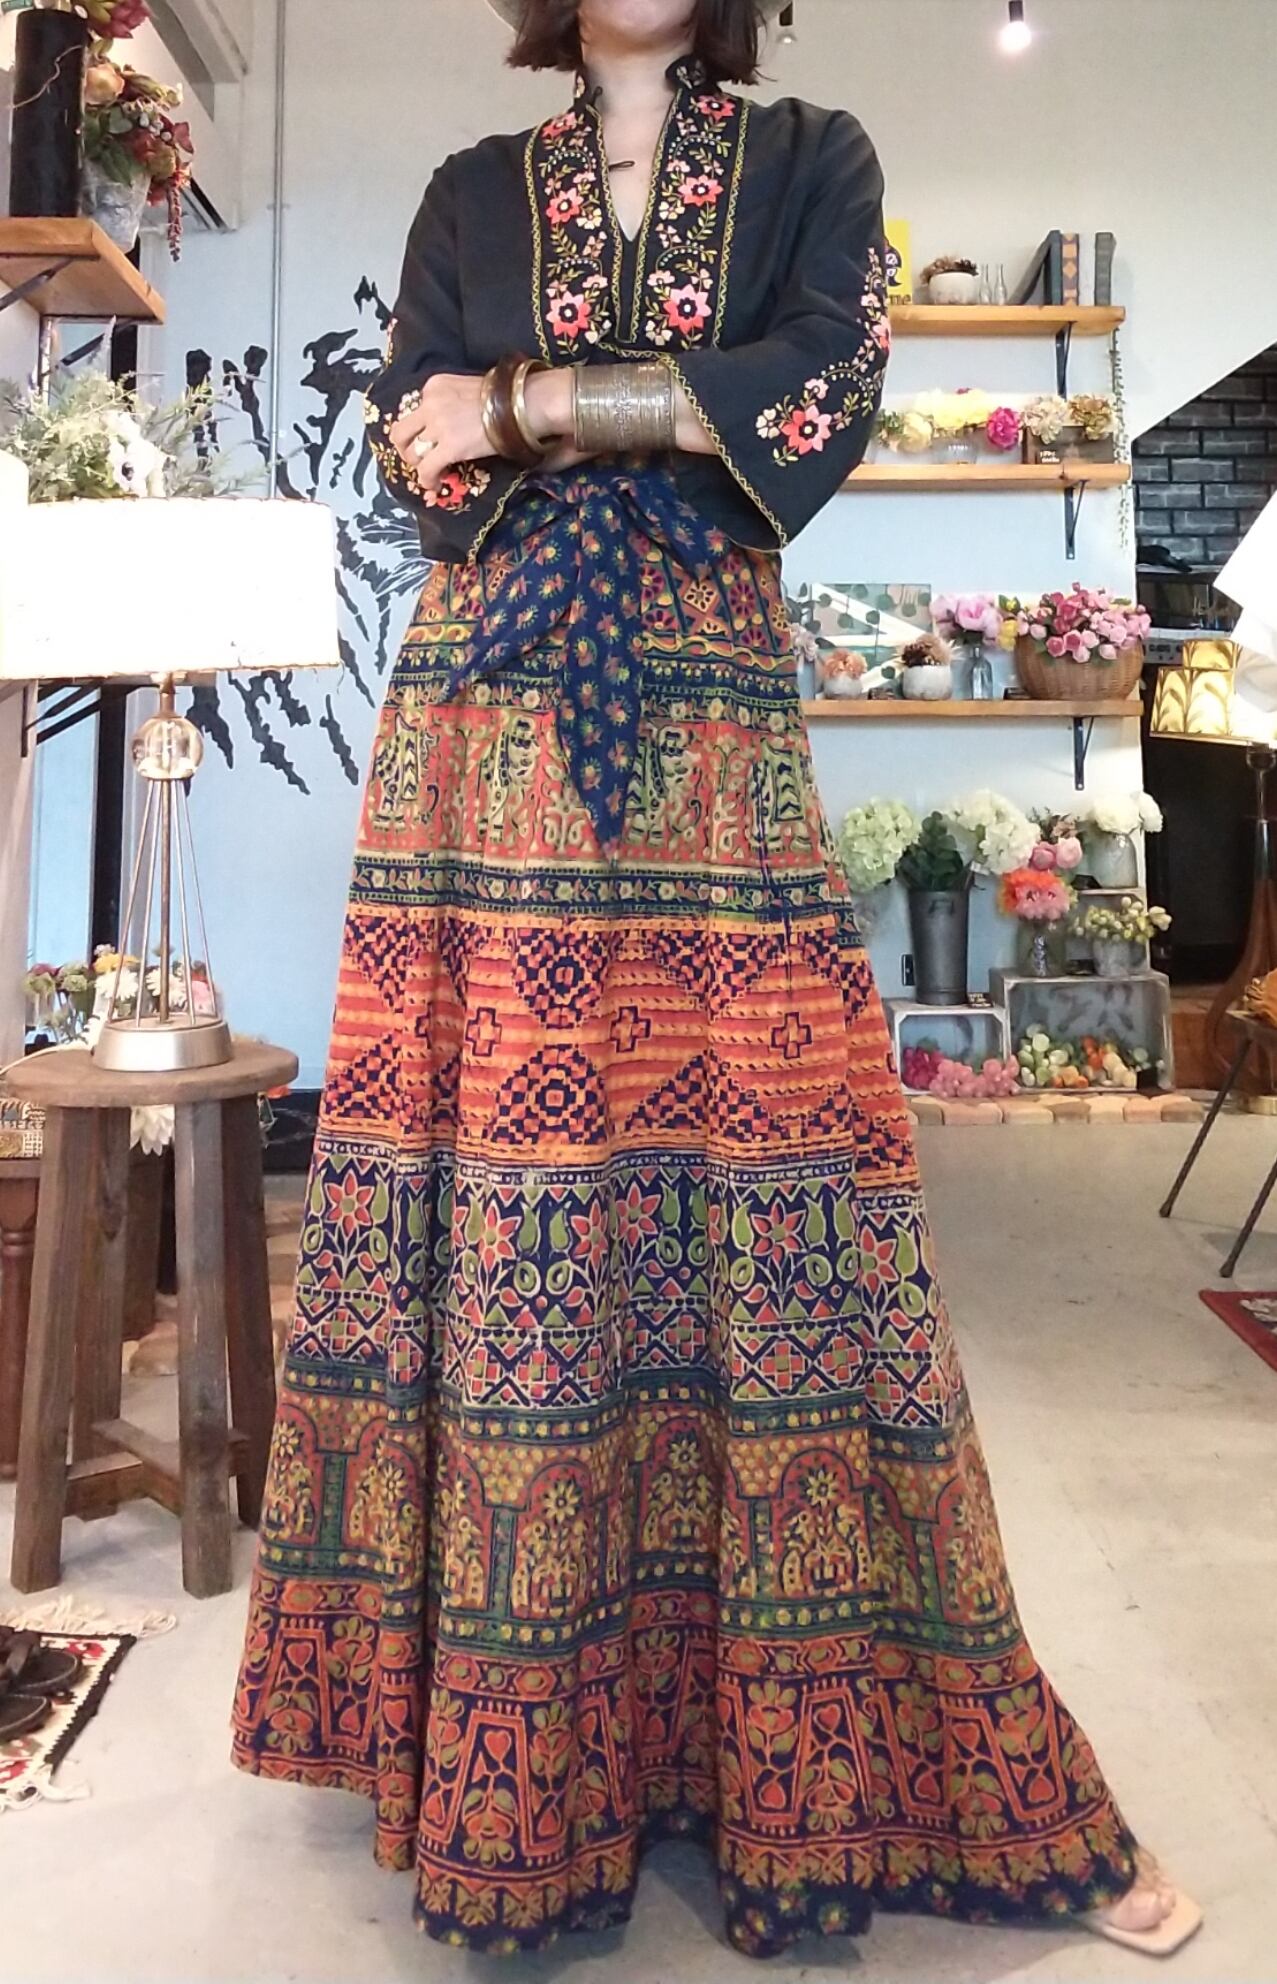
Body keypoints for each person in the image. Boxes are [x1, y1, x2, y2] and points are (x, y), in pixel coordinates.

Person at [232, 0, 1200, 1959]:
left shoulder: (810, 161)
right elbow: (418, 444)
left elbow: (815, 394)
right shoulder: (468, 191)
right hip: (490, 724)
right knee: (514, 1203)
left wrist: (528, 402)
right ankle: (512, 1749)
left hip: (706, 722)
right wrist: (629, 402)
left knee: (781, 1192)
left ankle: (826, 1743)